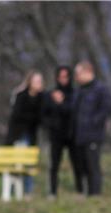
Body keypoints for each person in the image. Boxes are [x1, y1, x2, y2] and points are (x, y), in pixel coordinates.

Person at [72, 61, 111, 196]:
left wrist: (92, 122)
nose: (76, 77)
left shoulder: (100, 89)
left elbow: (106, 109)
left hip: (93, 135)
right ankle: (84, 193)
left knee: (92, 166)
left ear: (87, 72)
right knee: (81, 167)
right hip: (79, 136)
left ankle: (95, 194)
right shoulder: (79, 91)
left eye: (78, 74)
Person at [42, 66, 82, 197]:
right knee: (54, 165)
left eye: (65, 76)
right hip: (56, 135)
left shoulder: (75, 94)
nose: (63, 79)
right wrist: (50, 126)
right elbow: (44, 115)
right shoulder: (50, 95)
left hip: (72, 134)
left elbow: (73, 112)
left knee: (77, 164)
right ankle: (52, 192)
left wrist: (60, 102)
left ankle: (79, 191)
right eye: (60, 77)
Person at [6, 71, 44, 196]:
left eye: (40, 81)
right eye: (37, 81)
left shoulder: (41, 98)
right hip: (18, 135)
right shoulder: (21, 96)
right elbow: (17, 116)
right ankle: (12, 190)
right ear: (30, 82)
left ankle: (28, 191)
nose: (40, 84)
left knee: (29, 164)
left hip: (31, 135)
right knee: (16, 163)